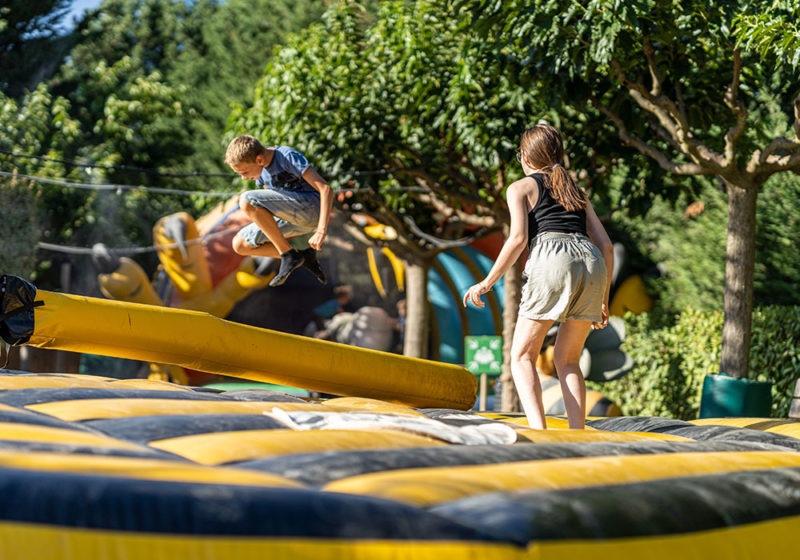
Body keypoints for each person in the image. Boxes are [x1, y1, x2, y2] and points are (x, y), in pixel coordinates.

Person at [463, 124, 613, 430]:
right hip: (591, 262)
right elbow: (606, 245)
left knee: (521, 356)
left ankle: (538, 430)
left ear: (526, 157)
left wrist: (486, 283)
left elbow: (518, 239)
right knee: (568, 360)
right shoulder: (576, 191)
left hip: (553, 259)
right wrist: (603, 301)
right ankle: (577, 432)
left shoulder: (520, 188)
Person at [225, 135, 333, 287]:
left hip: (312, 209)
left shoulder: (286, 156)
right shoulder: (261, 173)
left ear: (259, 160)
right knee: (240, 244)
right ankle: (300, 255)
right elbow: (272, 210)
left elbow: (325, 188)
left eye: (244, 172)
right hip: (297, 219)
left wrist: (321, 230)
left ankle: (286, 254)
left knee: (246, 200)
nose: (244, 178)